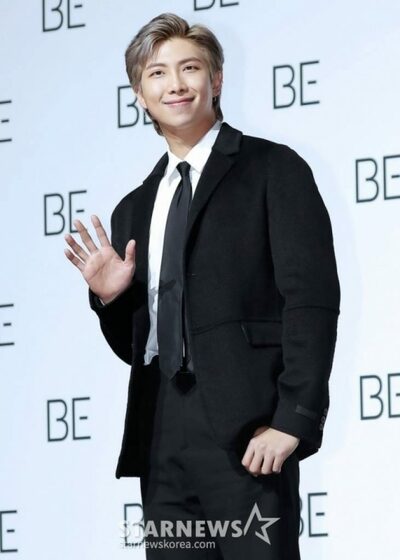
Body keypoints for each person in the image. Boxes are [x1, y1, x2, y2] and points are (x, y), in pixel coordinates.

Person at [64, 12, 340, 559]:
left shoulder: (273, 169)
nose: (175, 84)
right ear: (140, 95)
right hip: (160, 435)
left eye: (189, 68)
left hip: (249, 433)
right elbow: (135, 347)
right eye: (157, 73)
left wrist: (293, 420)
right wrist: (111, 300)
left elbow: (311, 301)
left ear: (216, 80)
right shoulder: (133, 209)